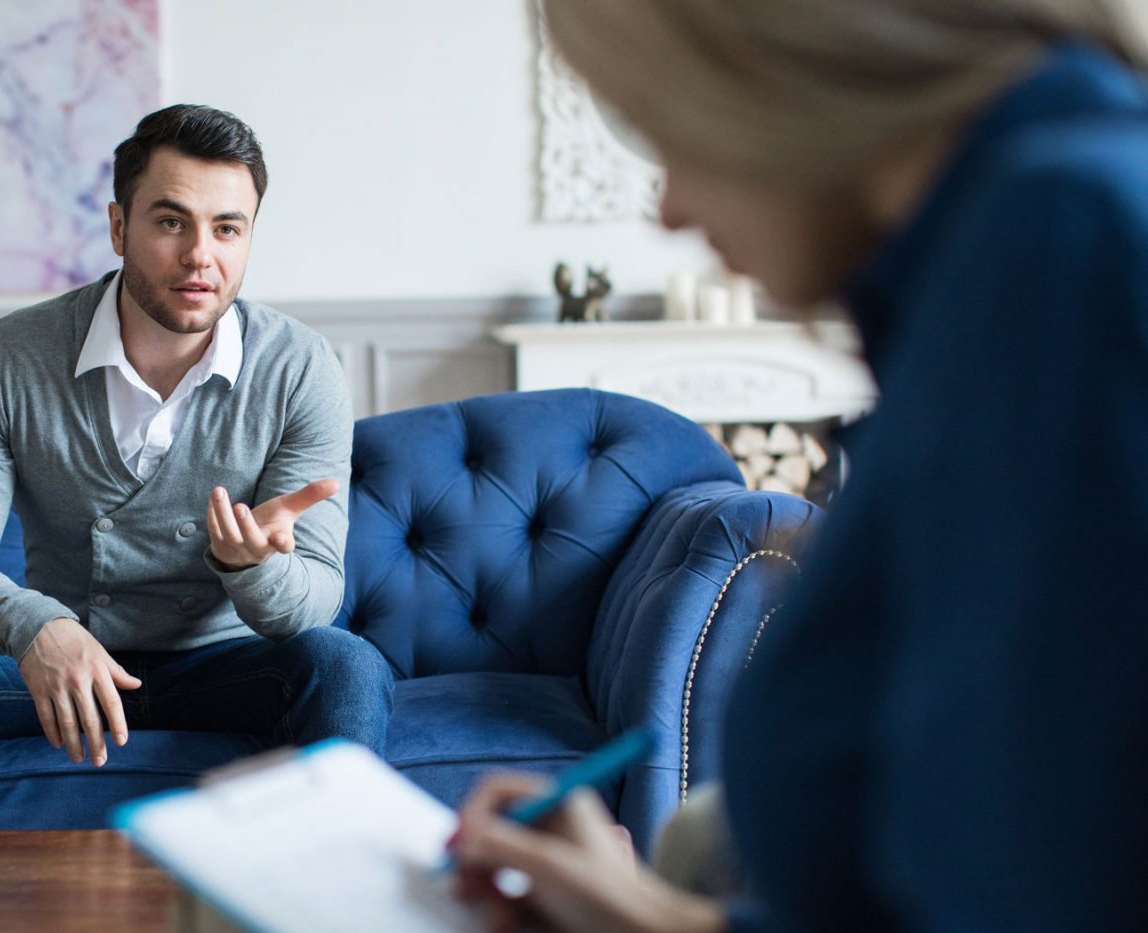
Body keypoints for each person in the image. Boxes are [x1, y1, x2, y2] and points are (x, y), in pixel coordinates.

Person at [450, 1, 1148, 929]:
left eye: (667, 128)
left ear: (774, 67)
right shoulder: (1028, 232)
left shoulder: (1062, 246)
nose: (667, 210)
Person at [0, 105, 394, 829]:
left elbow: (316, 599)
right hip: (60, 661)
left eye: (227, 228)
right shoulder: (9, 358)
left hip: (229, 668)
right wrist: (35, 624)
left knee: (347, 664)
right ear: (119, 227)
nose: (200, 255)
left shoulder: (302, 368)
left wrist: (252, 567)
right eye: (171, 222)